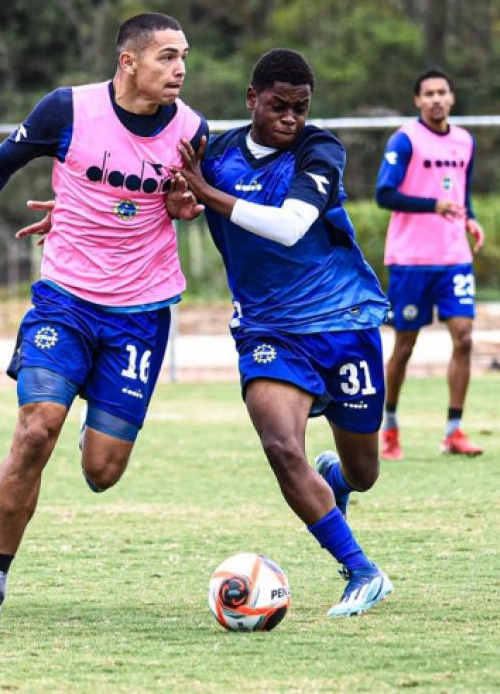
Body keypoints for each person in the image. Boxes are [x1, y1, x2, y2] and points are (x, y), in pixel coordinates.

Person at [0, 12, 208, 620]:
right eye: (167, 56)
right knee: (35, 430)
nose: (179, 69)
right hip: (65, 299)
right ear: (128, 62)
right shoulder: (68, 109)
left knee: (103, 472)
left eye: (184, 57)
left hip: (140, 313)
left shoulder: (193, 131)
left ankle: (95, 417)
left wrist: (185, 205)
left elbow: (195, 199)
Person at [175, 48, 392, 617]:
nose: (290, 117)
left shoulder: (320, 150)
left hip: (343, 322)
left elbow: (291, 226)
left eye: (301, 107)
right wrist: (175, 200)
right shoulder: (215, 153)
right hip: (268, 329)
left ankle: (335, 478)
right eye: (278, 105)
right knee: (280, 446)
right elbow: (161, 193)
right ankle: (362, 571)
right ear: (253, 99)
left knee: (364, 473)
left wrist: (206, 195)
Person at [373, 69, 486, 461]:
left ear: (451, 98)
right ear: (418, 101)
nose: (437, 99)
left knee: (464, 338)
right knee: (404, 346)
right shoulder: (405, 140)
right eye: (429, 93)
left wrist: (470, 219)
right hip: (411, 260)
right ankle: (389, 429)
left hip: (454, 257)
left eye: (442, 92)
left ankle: (454, 431)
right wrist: (432, 205)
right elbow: (384, 194)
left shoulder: (465, 141)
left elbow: (462, 194)